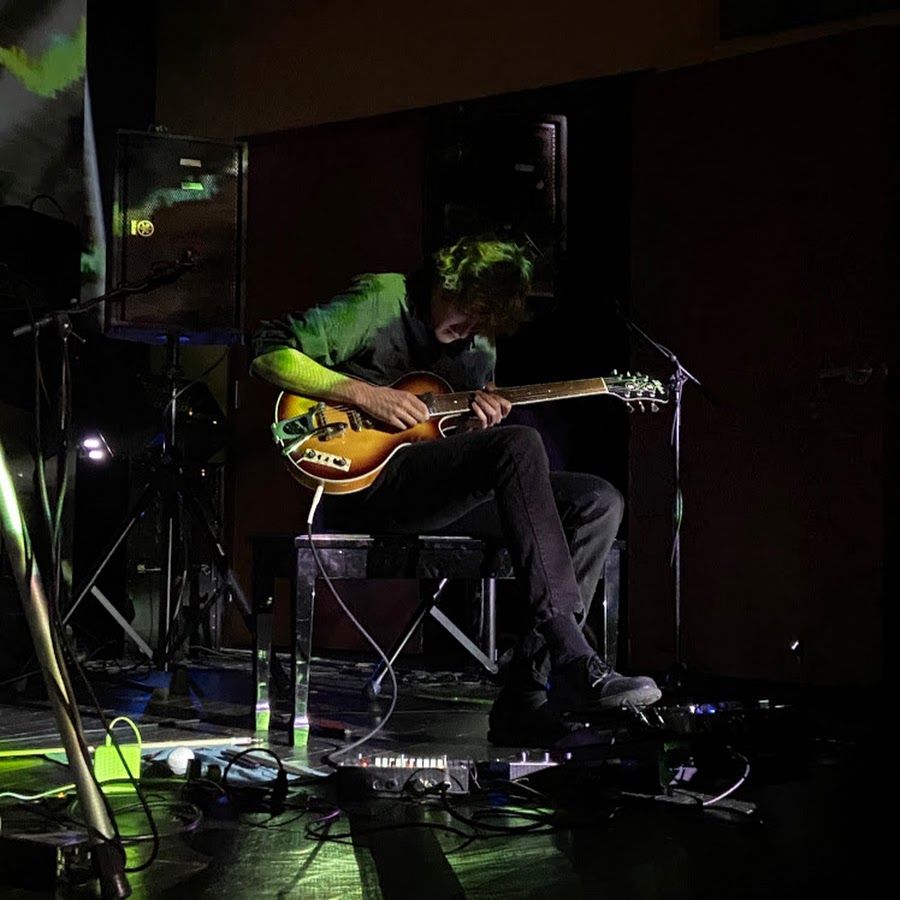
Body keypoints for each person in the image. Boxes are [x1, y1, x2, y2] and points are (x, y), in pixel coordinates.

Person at [250, 237, 661, 745]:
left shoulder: (480, 346)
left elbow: (461, 451)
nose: (469, 329)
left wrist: (475, 428)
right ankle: (573, 656)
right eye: (467, 310)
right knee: (520, 443)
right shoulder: (383, 299)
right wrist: (365, 394)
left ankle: (524, 696)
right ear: (447, 282)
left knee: (597, 502)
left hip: (434, 491)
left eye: (483, 322)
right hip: (370, 483)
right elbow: (268, 352)